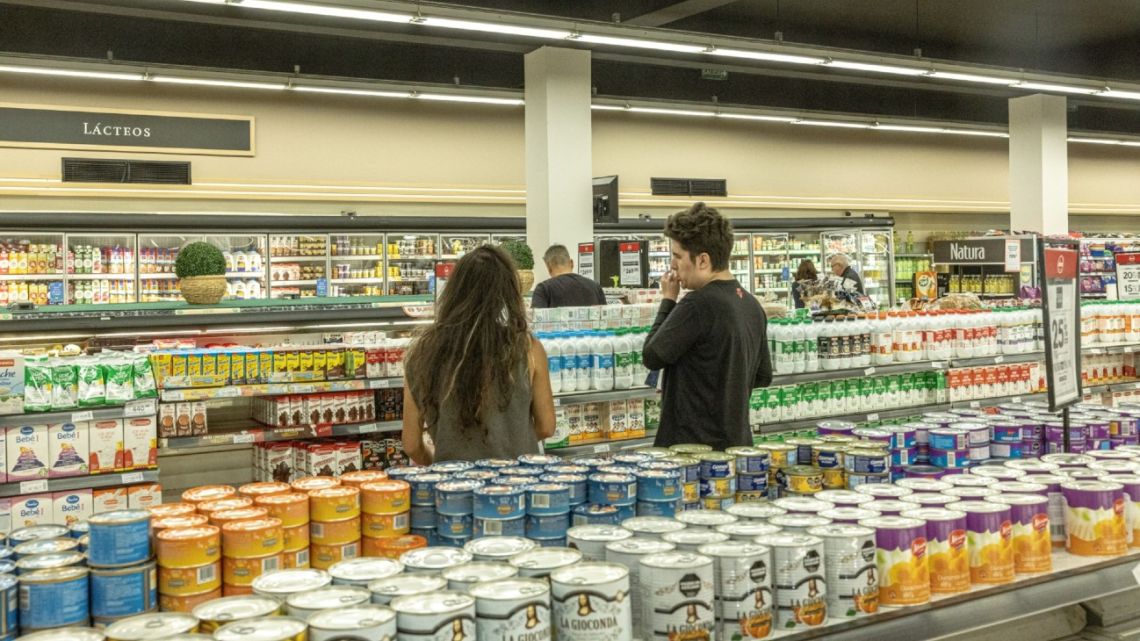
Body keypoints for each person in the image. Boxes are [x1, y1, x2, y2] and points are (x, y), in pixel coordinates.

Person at [401, 245, 556, 464]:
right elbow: (547, 426)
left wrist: (440, 460)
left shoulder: (421, 353)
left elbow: (411, 444)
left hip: (452, 488)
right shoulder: (527, 347)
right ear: (507, 294)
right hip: (517, 486)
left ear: (453, 291)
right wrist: (512, 443)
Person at [642, 202, 773, 450]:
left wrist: (668, 300)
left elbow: (652, 355)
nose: (672, 265)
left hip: (692, 450)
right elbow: (763, 376)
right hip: (737, 445)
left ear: (703, 260)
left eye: (678, 256)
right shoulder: (752, 305)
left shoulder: (698, 304)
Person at [531, 244, 607, 308]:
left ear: (549, 268)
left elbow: (535, 321)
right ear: (571, 263)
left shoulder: (544, 289)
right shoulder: (595, 287)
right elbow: (606, 319)